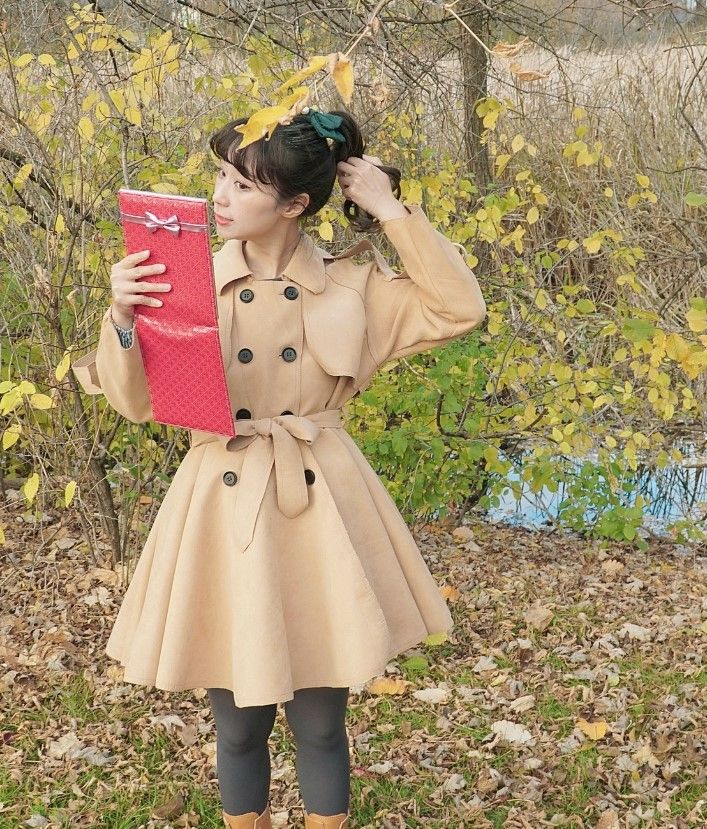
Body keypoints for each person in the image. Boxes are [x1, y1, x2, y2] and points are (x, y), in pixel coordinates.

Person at [73, 105, 487, 829]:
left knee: (321, 725)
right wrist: (123, 318)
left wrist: (391, 210)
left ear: (294, 204)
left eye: (242, 185)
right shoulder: (185, 281)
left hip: (318, 503)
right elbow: (136, 403)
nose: (220, 197)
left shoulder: (352, 285)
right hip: (223, 501)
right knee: (238, 726)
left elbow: (459, 309)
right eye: (220, 178)